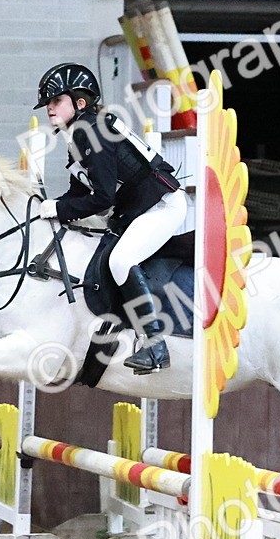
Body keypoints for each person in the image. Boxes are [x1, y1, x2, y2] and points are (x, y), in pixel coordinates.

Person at [34, 62, 191, 374]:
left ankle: (154, 344)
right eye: (48, 103)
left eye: (56, 101)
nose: (49, 108)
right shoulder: (78, 134)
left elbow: (102, 198)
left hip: (162, 205)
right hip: (136, 208)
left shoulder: (93, 133)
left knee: (120, 261)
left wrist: (60, 210)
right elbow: (80, 190)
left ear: (79, 103)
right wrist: (52, 206)